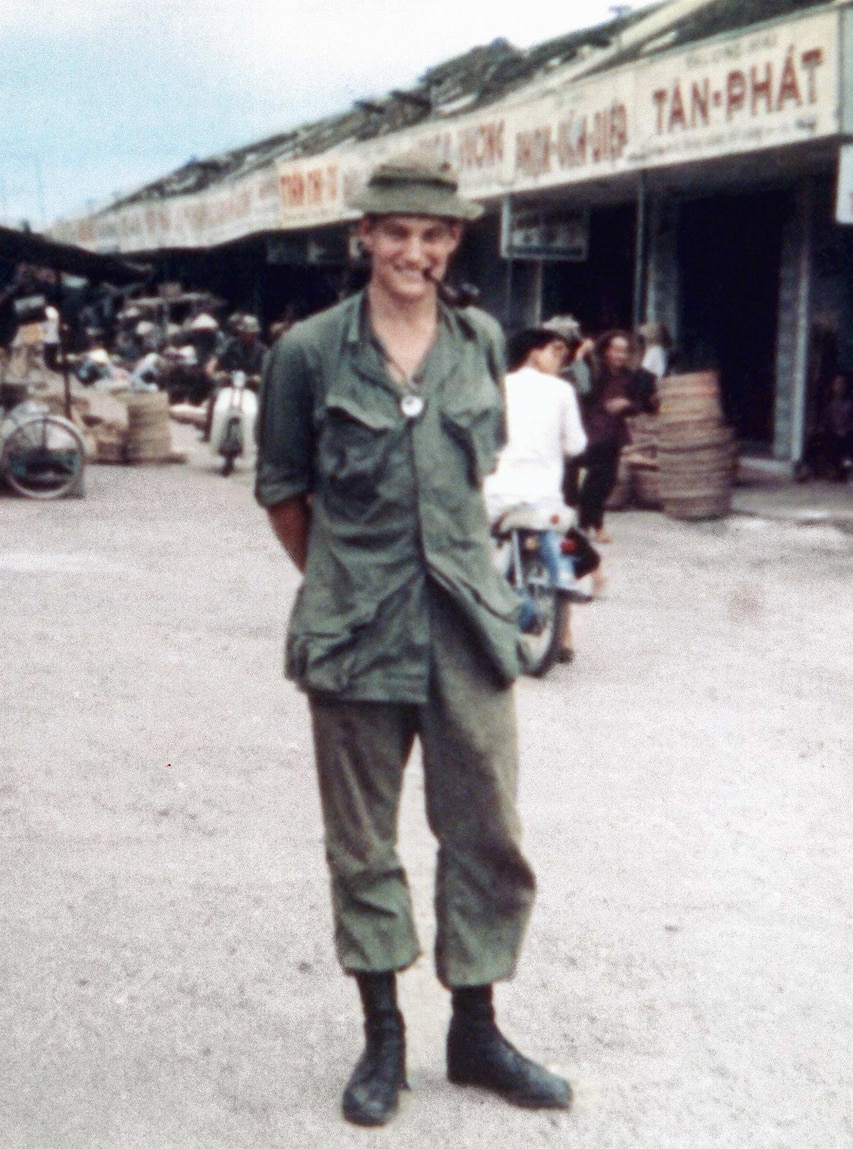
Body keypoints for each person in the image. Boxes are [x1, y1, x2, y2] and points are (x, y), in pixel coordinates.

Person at [255, 153, 572, 1127]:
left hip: (467, 628)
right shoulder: (309, 351)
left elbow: (472, 474)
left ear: (450, 245)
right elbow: (283, 491)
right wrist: (348, 583)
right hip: (355, 632)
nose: (414, 251)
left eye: (432, 236)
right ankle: (382, 1035)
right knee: (363, 843)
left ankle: (474, 1030)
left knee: (485, 829)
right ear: (365, 238)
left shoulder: (478, 339)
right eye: (396, 232)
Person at [484, 326, 599, 656]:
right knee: (570, 546)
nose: (561, 359)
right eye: (555, 351)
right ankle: (564, 638)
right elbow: (576, 444)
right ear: (533, 353)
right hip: (545, 496)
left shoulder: (499, 386)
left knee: (469, 548)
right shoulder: (562, 390)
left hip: (501, 493)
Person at [576, 329, 654, 543]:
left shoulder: (630, 377)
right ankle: (591, 525)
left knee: (608, 480)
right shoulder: (595, 370)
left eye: (624, 351)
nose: (620, 355)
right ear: (606, 351)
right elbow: (583, 395)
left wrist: (627, 403)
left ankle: (587, 523)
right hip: (592, 431)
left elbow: (644, 405)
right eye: (616, 350)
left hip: (613, 433)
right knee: (595, 479)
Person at [795, 370, 853, 482]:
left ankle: (847, 470)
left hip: (849, 436)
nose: (839, 387)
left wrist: (847, 429)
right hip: (834, 435)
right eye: (836, 384)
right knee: (815, 439)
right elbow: (825, 422)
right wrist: (817, 429)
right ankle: (805, 469)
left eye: (842, 384)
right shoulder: (830, 404)